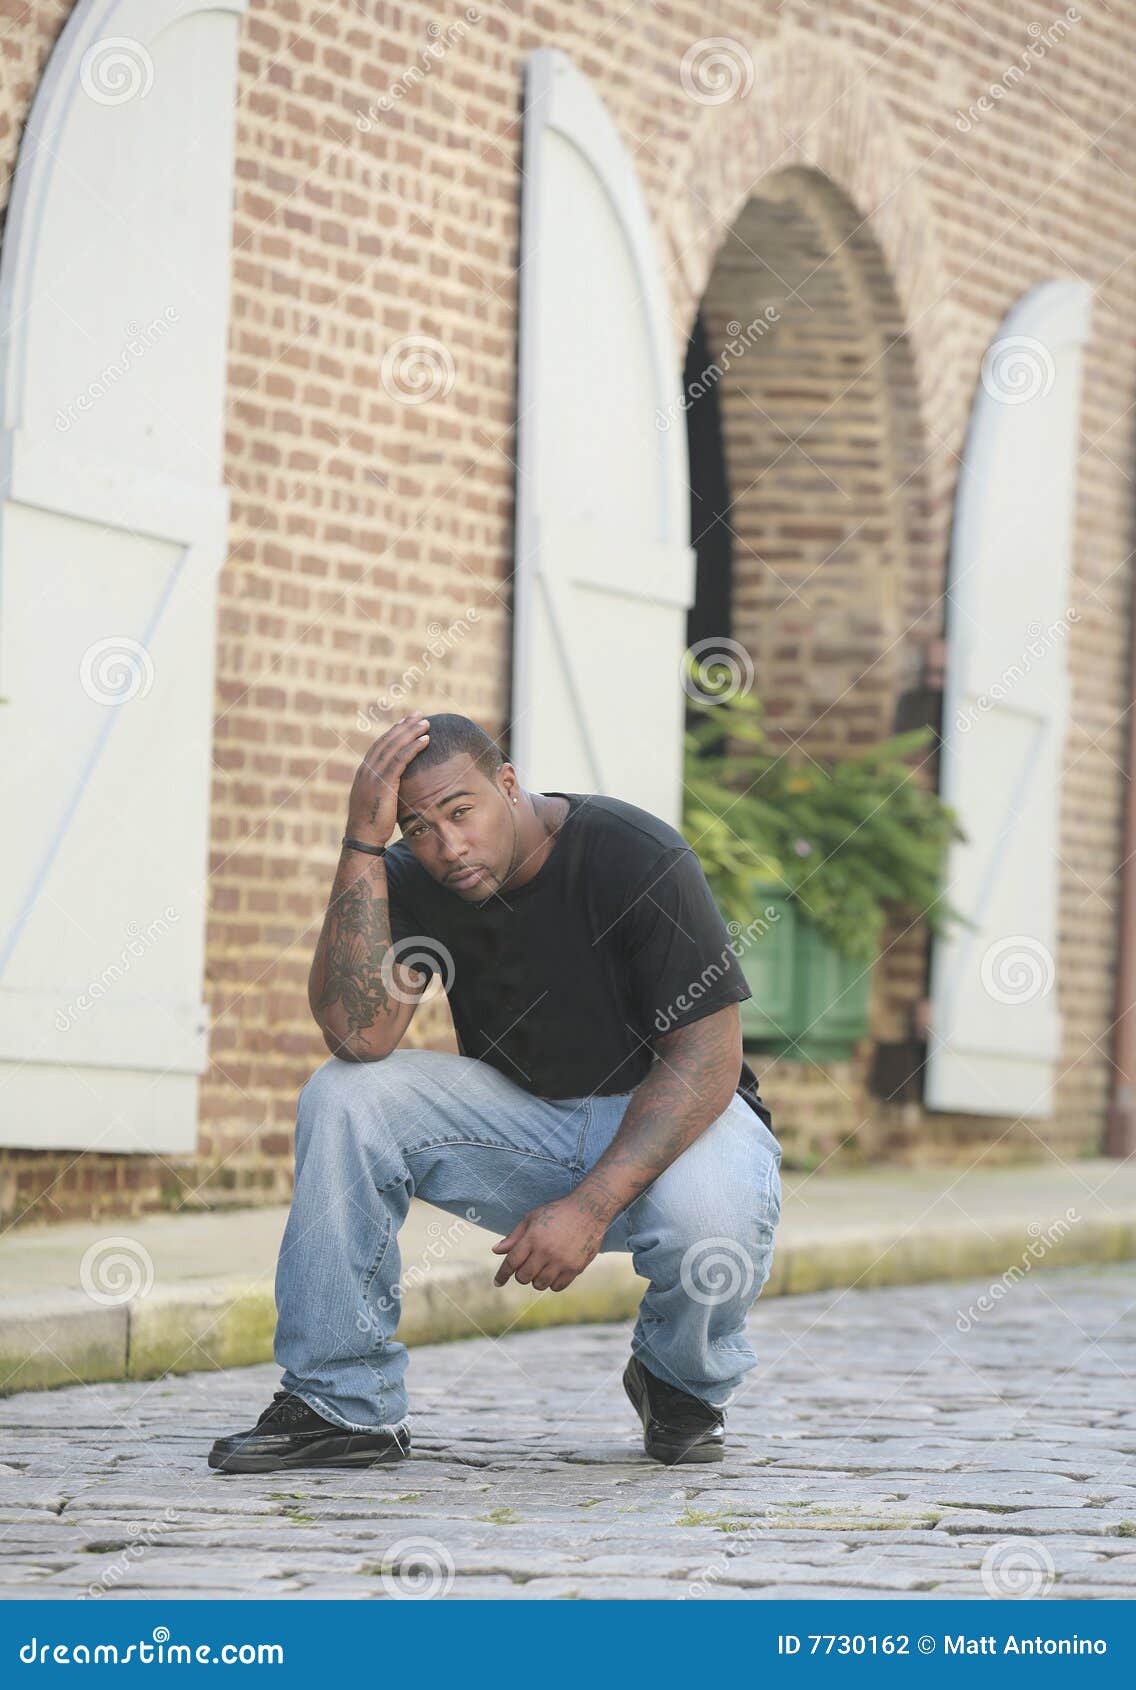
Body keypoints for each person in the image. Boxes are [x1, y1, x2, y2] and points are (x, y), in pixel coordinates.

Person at [208, 710, 781, 1474]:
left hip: (678, 1119)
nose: (448, 848)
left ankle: (677, 1382)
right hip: (528, 1128)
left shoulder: (631, 853)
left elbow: (706, 1057)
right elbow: (360, 1037)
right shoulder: (411, 878)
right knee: (345, 1094)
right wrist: (362, 845)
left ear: (507, 784)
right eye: (418, 828)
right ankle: (339, 1403)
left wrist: (590, 1205)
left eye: (460, 812)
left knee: (710, 1218)